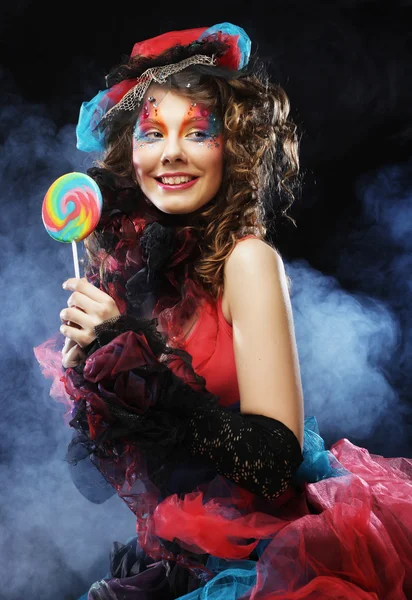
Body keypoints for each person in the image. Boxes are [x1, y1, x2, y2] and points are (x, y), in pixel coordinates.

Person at [35, 22, 412, 600]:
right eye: (152, 133)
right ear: (128, 151)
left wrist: (143, 368)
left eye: (197, 132)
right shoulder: (131, 283)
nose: (172, 153)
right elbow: (92, 486)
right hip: (178, 565)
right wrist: (95, 381)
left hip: (270, 564)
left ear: (230, 145)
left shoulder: (248, 262)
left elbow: (271, 463)